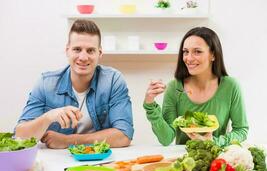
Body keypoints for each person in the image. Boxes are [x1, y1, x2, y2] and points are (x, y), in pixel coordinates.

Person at [15, 19, 134, 149]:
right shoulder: (46, 83)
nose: (83, 57)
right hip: (57, 161)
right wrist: (48, 117)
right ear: (67, 51)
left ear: (99, 53)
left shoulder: (113, 81)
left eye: (90, 51)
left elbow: (124, 135)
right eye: (77, 49)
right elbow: (20, 137)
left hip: (101, 160)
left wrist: (69, 141)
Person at [143, 27, 248, 147]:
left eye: (197, 51)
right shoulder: (174, 88)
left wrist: (214, 142)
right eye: (185, 51)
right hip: (183, 159)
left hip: (216, 158)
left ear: (213, 55)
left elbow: (241, 130)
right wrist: (150, 105)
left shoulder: (230, 86)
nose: (189, 58)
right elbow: (166, 138)